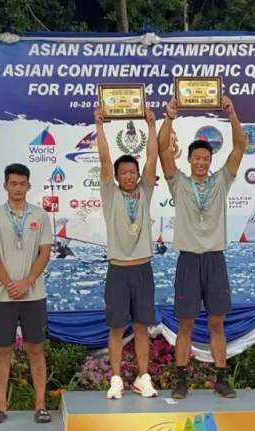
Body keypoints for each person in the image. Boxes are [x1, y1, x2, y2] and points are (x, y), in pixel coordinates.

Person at [158, 95, 246, 399]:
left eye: (206, 158)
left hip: (214, 259)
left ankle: (221, 378)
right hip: (188, 260)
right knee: (185, 321)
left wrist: (232, 113)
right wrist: (168, 117)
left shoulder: (221, 181)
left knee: (216, 321)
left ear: (210, 161)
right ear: (190, 160)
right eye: (196, 158)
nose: (201, 162)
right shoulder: (179, 183)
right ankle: (180, 378)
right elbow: (160, 150)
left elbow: (239, 147)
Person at [94, 106, 160, 399]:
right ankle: (117, 379)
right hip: (118, 270)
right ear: (118, 177)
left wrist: (152, 126)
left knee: (142, 326)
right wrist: (99, 127)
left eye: (133, 171)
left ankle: (144, 377)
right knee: (117, 327)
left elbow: (153, 158)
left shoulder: (145, 191)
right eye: (124, 173)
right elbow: (105, 159)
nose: (129, 176)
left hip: (143, 269)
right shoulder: (110, 194)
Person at [0, 163, 53, 424]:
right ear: (5, 186)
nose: (18, 188)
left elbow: (45, 252)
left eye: (23, 184)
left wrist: (27, 282)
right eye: (13, 184)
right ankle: (1, 406)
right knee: (3, 350)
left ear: (28, 186)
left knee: (36, 348)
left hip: (33, 294)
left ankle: (41, 405)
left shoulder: (40, 216)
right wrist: (10, 283)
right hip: (3, 296)